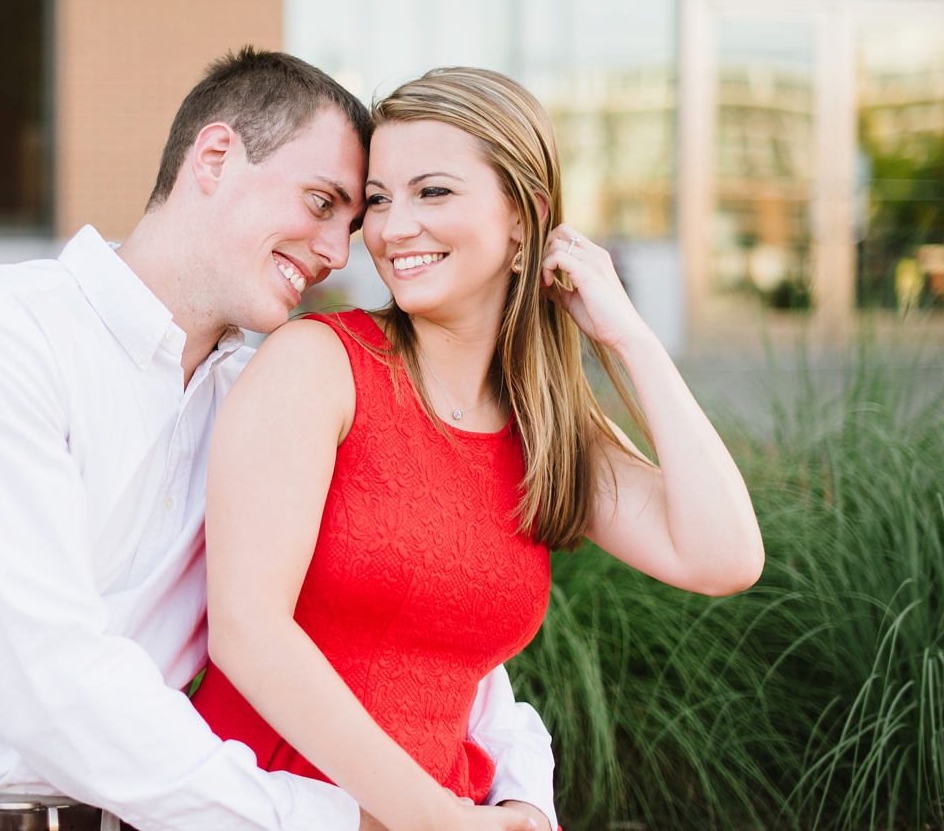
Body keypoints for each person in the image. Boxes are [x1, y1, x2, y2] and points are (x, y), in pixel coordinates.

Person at [0, 50, 560, 831]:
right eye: (322, 202)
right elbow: (50, 683)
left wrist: (519, 792)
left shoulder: (254, 400)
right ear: (215, 156)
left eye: (350, 224)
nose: (336, 251)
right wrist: (336, 817)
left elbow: (432, 626)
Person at [192, 67, 767, 831]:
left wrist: (628, 334)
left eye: (433, 192)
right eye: (378, 200)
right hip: (265, 808)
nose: (394, 229)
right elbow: (247, 630)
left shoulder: (548, 427)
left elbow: (723, 556)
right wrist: (438, 818)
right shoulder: (317, 363)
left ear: (524, 220)